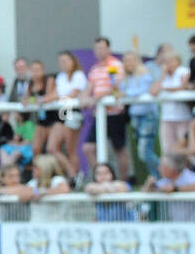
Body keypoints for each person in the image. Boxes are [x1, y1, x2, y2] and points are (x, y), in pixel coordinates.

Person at [83, 37, 129, 182]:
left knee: (119, 149)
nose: (99, 51)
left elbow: (115, 88)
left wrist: (97, 98)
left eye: (102, 48)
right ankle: (102, 178)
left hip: (114, 113)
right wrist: (83, 99)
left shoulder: (115, 65)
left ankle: (122, 182)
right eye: (97, 48)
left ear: (109, 49)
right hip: (99, 114)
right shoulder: (95, 69)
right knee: (88, 148)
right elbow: (88, 88)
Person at [48, 51, 88, 179]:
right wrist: (44, 99)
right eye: (60, 62)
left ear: (72, 62)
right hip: (61, 113)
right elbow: (55, 94)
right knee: (52, 147)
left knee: (71, 148)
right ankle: (72, 173)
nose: (63, 64)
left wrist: (57, 97)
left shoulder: (78, 75)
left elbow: (74, 94)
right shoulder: (61, 76)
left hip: (73, 113)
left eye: (65, 61)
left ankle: (74, 178)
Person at [120, 50, 159, 181]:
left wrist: (127, 94)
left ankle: (164, 175)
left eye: (132, 60)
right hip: (135, 118)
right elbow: (120, 91)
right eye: (126, 61)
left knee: (144, 152)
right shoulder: (126, 78)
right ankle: (156, 179)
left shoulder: (145, 75)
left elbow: (144, 90)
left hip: (147, 116)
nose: (129, 63)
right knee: (143, 152)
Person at [144, 155, 195, 223]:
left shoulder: (190, 176)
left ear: (172, 168)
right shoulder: (166, 180)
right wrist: (148, 186)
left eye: (162, 166)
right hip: (177, 226)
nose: (158, 168)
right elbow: (144, 194)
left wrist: (175, 189)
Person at [154, 48, 192, 161]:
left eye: (170, 61)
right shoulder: (164, 75)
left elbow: (182, 87)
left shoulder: (183, 71)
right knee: (167, 150)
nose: (167, 64)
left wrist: (164, 88)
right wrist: (162, 76)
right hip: (167, 118)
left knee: (184, 149)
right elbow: (153, 91)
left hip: (182, 116)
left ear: (177, 61)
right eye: (165, 61)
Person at [26, 59, 57, 157]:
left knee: (51, 149)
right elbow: (27, 99)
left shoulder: (48, 80)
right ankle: (37, 170)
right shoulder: (30, 84)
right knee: (35, 149)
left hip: (54, 118)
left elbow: (49, 96)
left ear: (43, 70)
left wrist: (35, 100)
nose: (35, 73)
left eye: (38, 70)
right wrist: (32, 100)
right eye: (33, 70)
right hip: (41, 119)